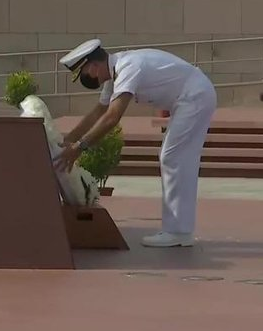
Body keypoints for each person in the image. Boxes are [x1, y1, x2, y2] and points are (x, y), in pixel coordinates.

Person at [53, 39, 217, 248]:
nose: (89, 79)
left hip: (195, 96)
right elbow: (98, 112)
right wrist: (66, 140)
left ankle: (178, 231)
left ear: (93, 66)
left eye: (84, 74)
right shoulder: (115, 73)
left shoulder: (128, 67)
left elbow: (112, 117)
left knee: (173, 157)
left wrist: (79, 148)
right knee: (176, 157)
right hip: (189, 98)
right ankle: (178, 229)